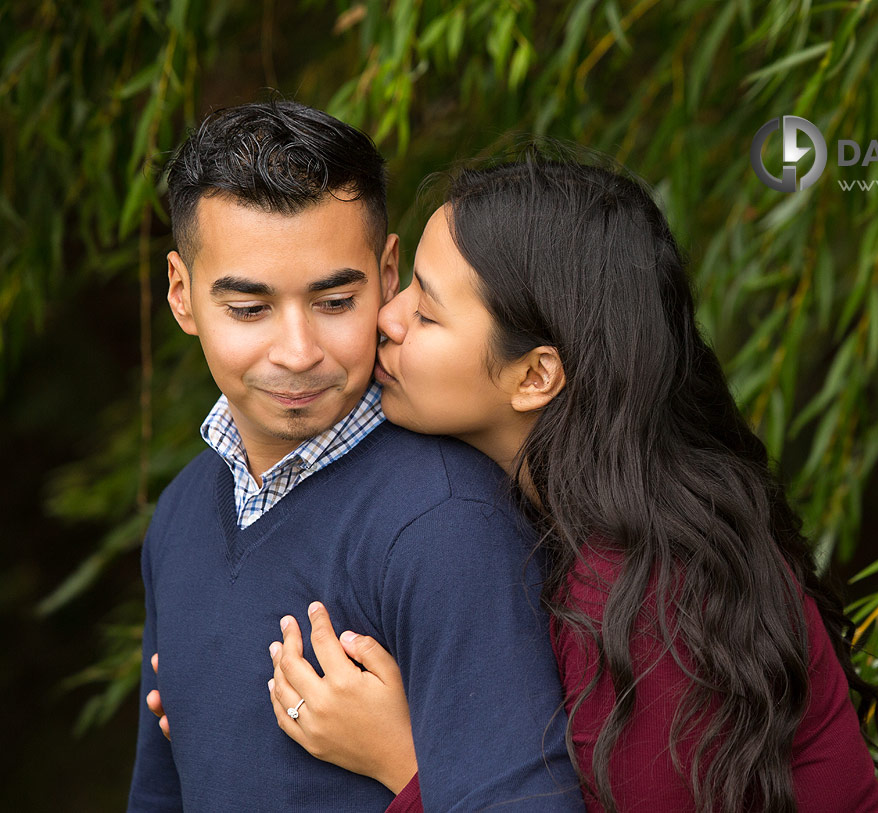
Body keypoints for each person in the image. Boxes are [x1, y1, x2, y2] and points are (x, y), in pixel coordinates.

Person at [154, 148, 878, 811]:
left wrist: (405, 759)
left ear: (535, 374)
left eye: (429, 311)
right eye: (403, 287)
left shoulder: (656, 599)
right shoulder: (571, 528)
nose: (388, 317)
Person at [127, 101, 583, 812]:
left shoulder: (444, 522)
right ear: (183, 295)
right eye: (249, 309)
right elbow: (159, 791)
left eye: (336, 300)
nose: (298, 350)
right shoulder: (183, 512)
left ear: (388, 271)